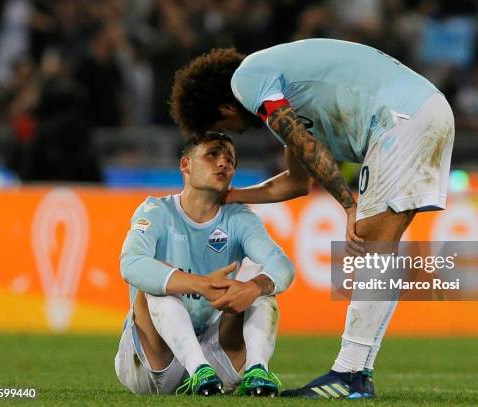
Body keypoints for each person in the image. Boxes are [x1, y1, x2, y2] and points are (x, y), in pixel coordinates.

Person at [171, 38, 455, 398]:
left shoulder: (247, 79)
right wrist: (228, 197)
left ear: (226, 106)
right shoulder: (290, 93)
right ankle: (357, 373)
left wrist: (348, 204)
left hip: (401, 117)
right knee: (379, 246)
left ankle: (350, 374)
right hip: (419, 111)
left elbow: (305, 144)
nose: (234, 134)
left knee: (371, 240)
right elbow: (296, 182)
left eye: (223, 125)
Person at [114, 131, 294, 396]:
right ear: (185, 165)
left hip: (216, 360)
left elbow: (283, 265)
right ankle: (197, 369)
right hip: (153, 364)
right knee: (158, 274)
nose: (223, 163)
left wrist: (254, 287)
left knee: (259, 277)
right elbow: (130, 264)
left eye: (230, 160)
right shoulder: (156, 211)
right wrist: (202, 284)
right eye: (212, 155)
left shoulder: (240, 218)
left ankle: (257, 370)